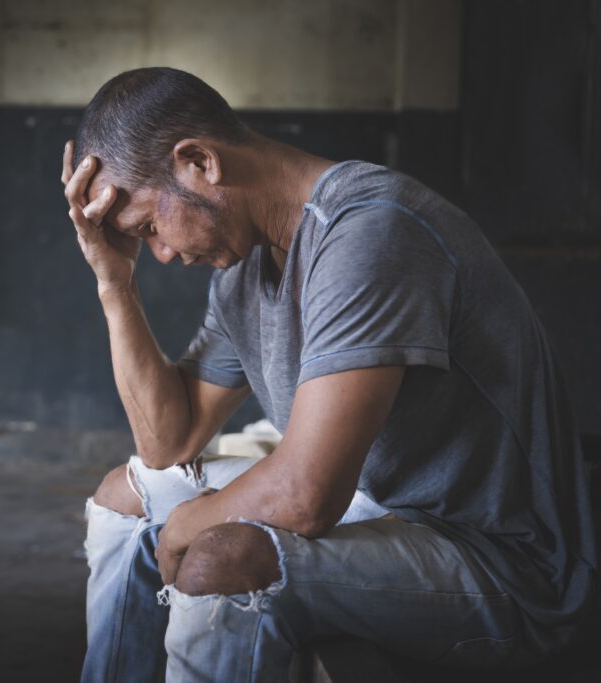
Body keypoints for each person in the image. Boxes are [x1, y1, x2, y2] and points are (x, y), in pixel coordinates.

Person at [61, 67, 597, 683]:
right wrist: (113, 281)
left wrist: (188, 524)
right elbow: (165, 444)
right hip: (382, 507)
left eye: (150, 228)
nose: (162, 254)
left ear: (199, 163)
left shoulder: (371, 231)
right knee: (126, 501)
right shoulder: (243, 271)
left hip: (501, 562)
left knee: (219, 563)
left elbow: (305, 496)